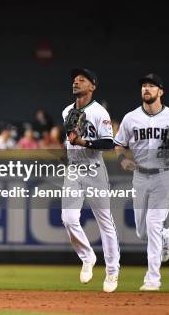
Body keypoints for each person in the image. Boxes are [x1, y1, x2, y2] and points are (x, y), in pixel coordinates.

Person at [115, 73, 169, 292]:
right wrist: (122, 160)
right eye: (144, 85)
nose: (146, 89)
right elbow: (119, 145)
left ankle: (152, 279)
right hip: (139, 176)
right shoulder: (131, 118)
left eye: (151, 85)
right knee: (142, 231)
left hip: (164, 175)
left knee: (152, 223)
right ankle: (166, 235)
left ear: (161, 91)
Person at [61, 68, 120, 293]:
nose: (76, 82)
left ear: (92, 87)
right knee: (68, 218)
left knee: (105, 223)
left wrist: (83, 142)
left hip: (94, 170)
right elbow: (69, 140)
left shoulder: (99, 112)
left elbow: (108, 143)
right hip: (73, 170)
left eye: (82, 80)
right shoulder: (67, 110)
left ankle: (112, 271)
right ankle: (88, 257)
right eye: (75, 79)